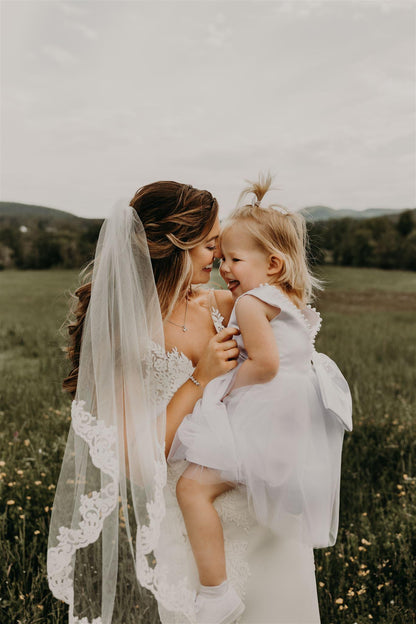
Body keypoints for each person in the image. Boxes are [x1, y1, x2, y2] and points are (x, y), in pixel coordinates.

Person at [47, 179, 324, 624]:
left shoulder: (223, 304)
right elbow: (137, 460)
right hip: (193, 527)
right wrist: (200, 377)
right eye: (210, 243)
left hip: (264, 506)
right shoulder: (128, 337)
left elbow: (284, 321)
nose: (218, 256)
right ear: (177, 246)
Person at [170, 175, 353, 623]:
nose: (223, 268)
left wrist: (222, 384)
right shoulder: (286, 297)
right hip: (292, 421)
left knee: (191, 487)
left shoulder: (251, 303)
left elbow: (265, 365)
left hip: (264, 416)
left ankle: (216, 595)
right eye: (221, 256)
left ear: (272, 264)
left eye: (234, 258)